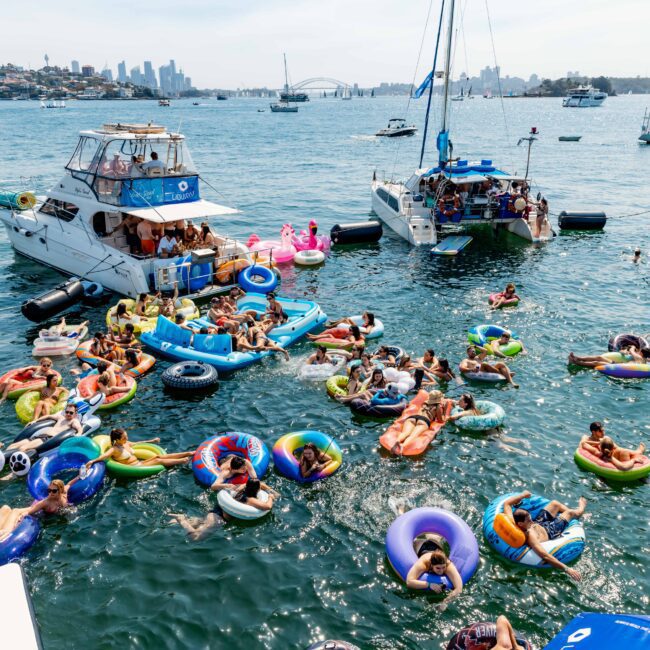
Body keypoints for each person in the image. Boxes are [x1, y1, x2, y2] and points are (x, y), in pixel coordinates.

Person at [503, 490, 587, 581]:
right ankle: (581, 510)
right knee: (570, 513)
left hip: (540, 522)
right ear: (520, 524)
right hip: (551, 530)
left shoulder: (512, 520)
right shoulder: (530, 536)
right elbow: (545, 556)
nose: (531, 521)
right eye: (528, 520)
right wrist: (567, 569)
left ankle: (575, 514)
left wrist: (522, 495)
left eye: (530, 518)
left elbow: (507, 504)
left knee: (555, 503)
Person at [168, 478, 280, 540]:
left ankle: (182, 521)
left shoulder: (241, 488)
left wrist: (270, 489)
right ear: (257, 490)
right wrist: (270, 496)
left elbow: (259, 483)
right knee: (195, 538)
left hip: (217, 511)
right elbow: (268, 506)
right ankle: (181, 519)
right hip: (219, 518)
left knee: (203, 524)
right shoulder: (251, 499)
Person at [0, 477, 82, 541]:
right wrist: (22, 516)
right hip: (37, 509)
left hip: (41, 508)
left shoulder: (64, 493)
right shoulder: (46, 502)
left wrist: (80, 476)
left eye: (54, 491)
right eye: (49, 490)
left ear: (60, 490)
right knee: (15, 511)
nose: (50, 493)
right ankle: (5, 532)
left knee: (7, 508)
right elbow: (30, 511)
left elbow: (69, 484)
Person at [85, 428, 192, 471]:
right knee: (158, 460)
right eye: (124, 438)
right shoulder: (114, 449)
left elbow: (137, 443)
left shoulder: (125, 443)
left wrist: (152, 441)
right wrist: (93, 461)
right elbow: (104, 456)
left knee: (157, 456)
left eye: (126, 436)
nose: (126, 439)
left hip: (139, 463)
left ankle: (187, 453)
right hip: (134, 467)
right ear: (117, 440)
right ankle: (182, 461)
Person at [5, 403, 82, 455]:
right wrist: (35, 421)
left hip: (46, 439)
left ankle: (13, 473)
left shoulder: (73, 421)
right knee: (13, 445)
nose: (68, 414)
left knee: (23, 448)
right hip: (38, 436)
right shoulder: (60, 417)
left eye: (71, 413)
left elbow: (79, 428)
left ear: (75, 414)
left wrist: (78, 434)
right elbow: (48, 416)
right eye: (67, 412)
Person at [405, 542, 463, 609]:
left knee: (434, 538)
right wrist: (429, 584)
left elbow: (459, 589)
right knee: (417, 542)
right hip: (422, 548)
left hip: (437, 547)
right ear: (432, 566)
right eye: (438, 568)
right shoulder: (423, 564)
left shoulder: (448, 565)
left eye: (443, 567)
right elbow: (409, 582)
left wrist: (445, 602)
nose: (441, 571)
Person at [390, 390, 451, 455]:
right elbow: (440, 420)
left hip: (412, 418)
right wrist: (444, 411)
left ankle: (397, 441)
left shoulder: (424, 403)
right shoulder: (438, 406)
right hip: (424, 421)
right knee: (413, 435)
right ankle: (402, 446)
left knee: (405, 432)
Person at [568, 346, 649, 368]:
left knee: (597, 362)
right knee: (599, 357)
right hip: (618, 364)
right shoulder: (642, 358)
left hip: (618, 367)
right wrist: (624, 352)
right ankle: (578, 357)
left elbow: (632, 351)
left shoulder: (640, 358)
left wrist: (633, 348)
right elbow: (626, 353)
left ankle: (576, 362)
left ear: (641, 353)